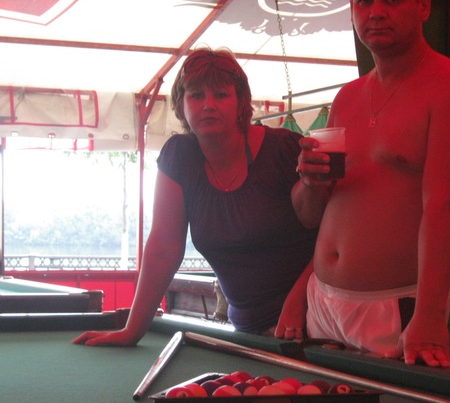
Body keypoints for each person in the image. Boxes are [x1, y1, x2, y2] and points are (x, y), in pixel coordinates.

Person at [291, 0, 450, 368]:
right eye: (364, 0)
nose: (376, 11)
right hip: (321, 301)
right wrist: (310, 183)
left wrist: (431, 316)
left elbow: (444, 208)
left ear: (424, 6)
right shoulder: (347, 98)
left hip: (393, 305)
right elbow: (314, 217)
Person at [73, 47, 317, 346]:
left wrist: (300, 299)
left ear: (241, 102)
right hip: (247, 330)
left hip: (311, 323)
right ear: (181, 104)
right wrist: (131, 331)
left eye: (221, 95)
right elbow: (163, 250)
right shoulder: (179, 156)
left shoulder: (284, 150)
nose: (208, 105)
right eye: (196, 95)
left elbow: (334, 237)